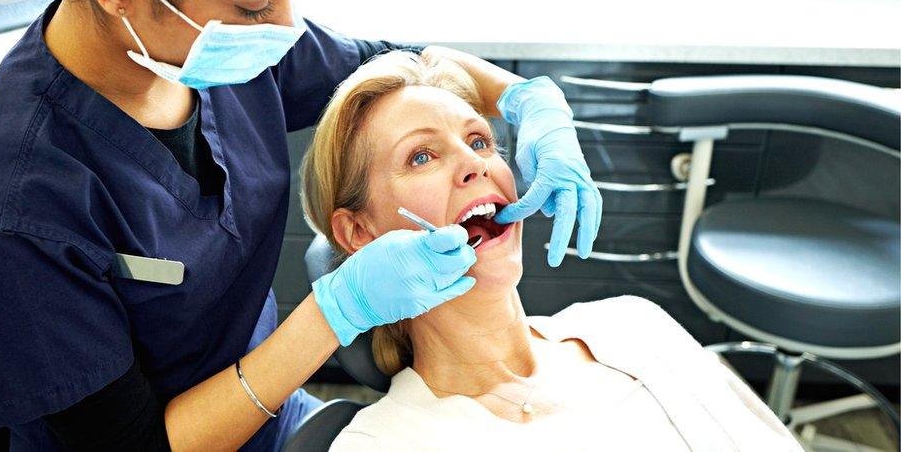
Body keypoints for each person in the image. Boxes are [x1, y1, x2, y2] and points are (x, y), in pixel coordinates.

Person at [0, 0, 603, 450]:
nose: (286, 27)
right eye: (254, 5)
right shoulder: (4, 213)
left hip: (277, 410)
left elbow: (393, 61)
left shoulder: (225, 48)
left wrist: (526, 97)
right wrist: (336, 311)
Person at [299, 51, 802, 451]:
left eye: (479, 140)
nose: (476, 165)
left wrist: (532, 97)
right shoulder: (383, 443)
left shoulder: (633, 325)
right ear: (360, 234)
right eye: (422, 156)